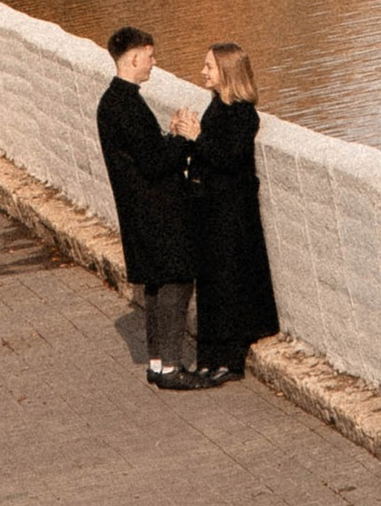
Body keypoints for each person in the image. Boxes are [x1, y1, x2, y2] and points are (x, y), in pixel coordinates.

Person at [95, 26, 220, 390]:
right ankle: (170, 367)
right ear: (134, 58)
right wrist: (183, 139)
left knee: (156, 283)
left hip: (139, 207)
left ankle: (157, 362)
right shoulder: (127, 105)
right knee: (176, 280)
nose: (154, 62)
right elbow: (153, 164)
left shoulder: (114, 102)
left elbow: (142, 152)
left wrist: (165, 138)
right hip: (157, 208)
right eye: (150, 56)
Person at [183, 40, 279, 379]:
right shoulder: (216, 107)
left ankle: (230, 360)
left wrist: (198, 138)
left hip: (231, 212)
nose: (204, 72)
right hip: (211, 208)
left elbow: (230, 157)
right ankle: (210, 356)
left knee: (230, 282)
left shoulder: (241, 113)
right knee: (211, 283)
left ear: (227, 72)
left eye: (209, 66)